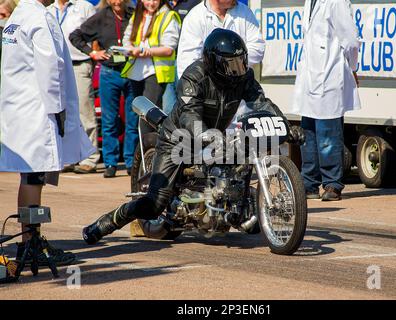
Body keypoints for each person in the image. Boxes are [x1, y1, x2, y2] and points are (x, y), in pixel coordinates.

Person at [82, 29, 298, 244]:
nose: (237, 69)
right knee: (155, 203)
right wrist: (204, 134)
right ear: (215, 62)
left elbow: (261, 102)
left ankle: (234, 205)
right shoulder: (194, 76)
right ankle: (106, 223)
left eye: (241, 62)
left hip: (214, 135)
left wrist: (285, 126)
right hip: (177, 139)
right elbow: (190, 114)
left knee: (239, 165)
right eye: (231, 64)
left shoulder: (244, 77)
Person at [0, 0, 95, 264]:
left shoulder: (19, 14)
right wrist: (59, 108)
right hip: (37, 110)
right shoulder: (40, 17)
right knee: (34, 177)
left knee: (29, 175)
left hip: (20, 108)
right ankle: (32, 245)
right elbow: (50, 67)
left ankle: (30, 240)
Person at [292, 0, 361, 201]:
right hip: (310, 78)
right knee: (308, 134)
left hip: (330, 75)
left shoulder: (336, 2)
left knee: (329, 135)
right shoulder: (310, 2)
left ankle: (332, 184)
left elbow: (350, 41)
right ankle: (309, 184)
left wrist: (353, 67)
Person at [70, 0, 138, 178]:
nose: (117, 2)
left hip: (131, 70)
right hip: (109, 73)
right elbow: (75, 36)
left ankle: (130, 162)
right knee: (109, 121)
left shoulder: (134, 15)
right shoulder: (100, 17)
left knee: (132, 120)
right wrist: (92, 53)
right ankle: (110, 163)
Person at [48, 0, 100, 174]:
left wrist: (93, 55)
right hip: (55, 65)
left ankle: (90, 158)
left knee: (85, 110)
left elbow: (96, 35)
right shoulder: (48, 7)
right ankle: (67, 157)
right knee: (61, 112)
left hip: (79, 63)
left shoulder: (84, 6)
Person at [176, 0, 264, 79]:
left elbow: (257, 48)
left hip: (241, 85)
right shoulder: (194, 18)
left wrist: (232, 66)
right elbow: (187, 62)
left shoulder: (245, 12)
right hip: (208, 89)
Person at [122, 0, 181, 111]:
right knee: (136, 113)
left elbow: (169, 49)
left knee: (149, 113)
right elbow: (127, 38)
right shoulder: (137, 15)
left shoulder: (168, 16)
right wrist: (130, 49)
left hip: (155, 72)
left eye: (155, 0)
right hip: (135, 72)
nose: (152, 3)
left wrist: (147, 51)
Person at [161, 0, 201, 113]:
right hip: (165, 64)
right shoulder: (162, 4)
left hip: (185, 62)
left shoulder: (196, 4)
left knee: (185, 103)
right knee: (168, 107)